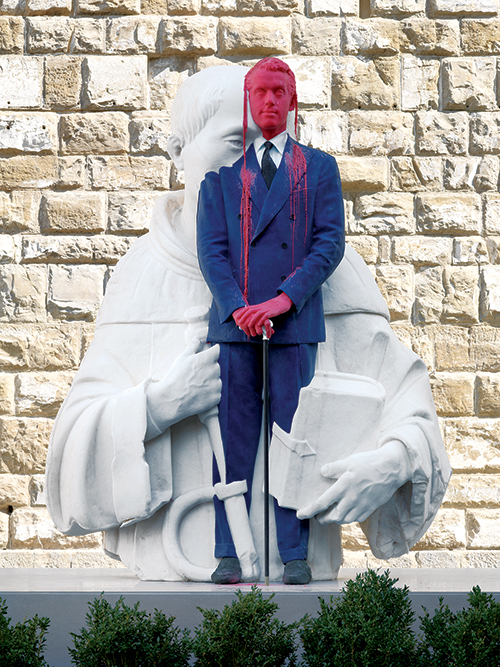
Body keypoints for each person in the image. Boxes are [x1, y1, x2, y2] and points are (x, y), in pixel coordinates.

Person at [45, 64, 451, 583]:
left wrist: (394, 461)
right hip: (174, 564)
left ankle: (293, 554)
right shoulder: (143, 273)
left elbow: (411, 413)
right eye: (238, 141)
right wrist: (155, 406)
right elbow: (68, 459)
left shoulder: (338, 271)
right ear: (178, 153)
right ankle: (227, 554)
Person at [196, 58, 345, 584]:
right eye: (259, 92)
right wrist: (240, 307)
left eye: (278, 92)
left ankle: (294, 554)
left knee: (293, 438)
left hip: (292, 322)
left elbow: (329, 246)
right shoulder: (218, 183)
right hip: (235, 326)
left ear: (293, 100)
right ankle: (229, 550)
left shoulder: (320, 170)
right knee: (233, 440)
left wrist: (282, 301)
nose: (268, 101)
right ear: (247, 99)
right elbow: (211, 254)